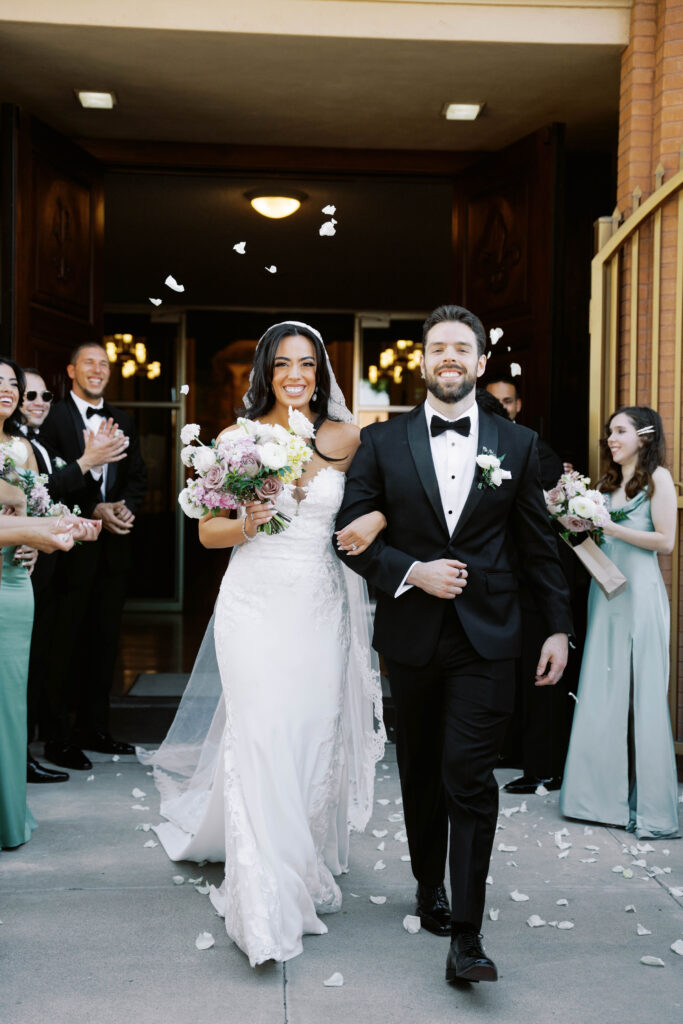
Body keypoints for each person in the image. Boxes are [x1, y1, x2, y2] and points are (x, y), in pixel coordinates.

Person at [335, 304, 573, 984]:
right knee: (420, 775)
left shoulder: (517, 443)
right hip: (410, 636)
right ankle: (426, 884)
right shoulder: (380, 443)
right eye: (437, 347)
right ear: (421, 360)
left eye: (459, 348)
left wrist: (556, 627)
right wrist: (411, 571)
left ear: (478, 362)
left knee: (468, 775)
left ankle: (466, 936)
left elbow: (537, 546)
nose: (448, 357)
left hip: (488, 635)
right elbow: (350, 534)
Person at [140, 321, 385, 966]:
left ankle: (296, 853)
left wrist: (378, 518)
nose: (295, 375)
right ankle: (262, 889)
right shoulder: (237, 439)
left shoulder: (348, 438)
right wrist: (248, 520)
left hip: (318, 604)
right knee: (261, 733)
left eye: (306, 363)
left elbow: (383, 502)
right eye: (282, 365)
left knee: (306, 733)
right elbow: (208, 536)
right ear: (266, 373)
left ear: (323, 369)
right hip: (252, 603)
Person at [560, 406, 680, 839]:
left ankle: (651, 809)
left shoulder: (658, 479)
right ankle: (596, 801)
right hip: (605, 592)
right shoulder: (606, 484)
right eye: (609, 431)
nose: (611, 438)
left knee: (645, 693)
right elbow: (595, 540)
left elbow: (665, 542)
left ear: (644, 437)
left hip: (641, 594)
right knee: (601, 685)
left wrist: (610, 523)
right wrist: (576, 526)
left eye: (620, 431)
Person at [40, 343, 147, 769]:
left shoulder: (123, 420)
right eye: (89, 363)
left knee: (105, 644)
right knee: (62, 645)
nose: (97, 370)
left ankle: (95, 729)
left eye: (104, 364)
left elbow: (137, 475)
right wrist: (91, 509)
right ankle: (56, 739)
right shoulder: (52, 418)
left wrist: (125, 507)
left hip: (113, 552)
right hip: (67, 555)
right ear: (71, 370)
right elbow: (47, 484)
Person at [21, 368, 129, 783]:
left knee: (46, 660)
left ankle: (42, 744)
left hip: (52, 567)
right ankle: (28, 750)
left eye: (46, 396)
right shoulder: (17, 447)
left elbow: (46, 497)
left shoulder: (38, 446)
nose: (38, 402)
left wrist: (77, 517)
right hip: (23, 569)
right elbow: (40, 491)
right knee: (27, 665)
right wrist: (88, 461)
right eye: (27, 393)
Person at [485, 373, 574, 794]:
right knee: (517, 674)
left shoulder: (536, 449)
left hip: (533, 581)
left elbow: (541, 524)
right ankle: (515, 751)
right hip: (505, 584)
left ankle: (545, 766)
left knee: (540, 676)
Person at [0, 357, 41, 848]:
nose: (7, 391)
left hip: (12, 585)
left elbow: (36, 511)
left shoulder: (23, 449)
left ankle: (8, 814)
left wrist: (32, 542)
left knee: (9, 701)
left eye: (13, 384)